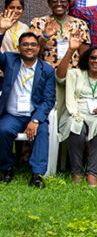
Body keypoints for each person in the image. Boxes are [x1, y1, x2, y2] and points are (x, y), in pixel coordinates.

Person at [55, 34, 97, 187]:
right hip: (76, 111)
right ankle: (77, 173)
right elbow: (59, 77)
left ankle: (92, 174)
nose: (96, 61)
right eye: (93, 57)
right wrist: (71, 50)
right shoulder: (75, 73)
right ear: (87, 58)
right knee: (75, 125)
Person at [0, 12, 56, 188]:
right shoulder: (10, 61)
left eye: (33, 45)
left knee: (42, 132)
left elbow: (48, 100)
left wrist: (36, 120)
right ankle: (7, 169)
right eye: (25, 45)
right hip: (12, 115)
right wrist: (1, 31)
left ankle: (37, 174)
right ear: (19, 47)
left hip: (33, 113)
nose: (29, 48)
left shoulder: (46, 70)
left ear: (38, 48)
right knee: (2, 131)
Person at [30, 0, 91, 68]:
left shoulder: (79, 24)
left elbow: (84, 54)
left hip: (72, 73)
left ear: (68, 4)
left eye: (63, 2)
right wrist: (45, 36)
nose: (59, 4)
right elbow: (32, 52)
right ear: (49, 4)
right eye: (55, 2)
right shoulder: (38, 22)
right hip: (47, 72)